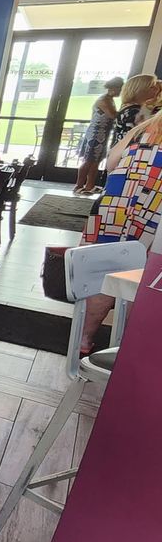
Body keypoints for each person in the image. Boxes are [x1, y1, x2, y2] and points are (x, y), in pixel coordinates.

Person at [79, 108, 162, 353]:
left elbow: (111, 163)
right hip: (154, 210)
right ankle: (129, 345)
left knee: (105, 275)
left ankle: (84, 338)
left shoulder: (144, 128)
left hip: (116, 205)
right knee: (145, 281)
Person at [109, 74, 162, 148]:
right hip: (127, 153)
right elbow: (138, 136)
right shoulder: (133, 111)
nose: (157, 89)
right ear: (140, 90)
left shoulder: (131, 108)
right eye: (152, 87)